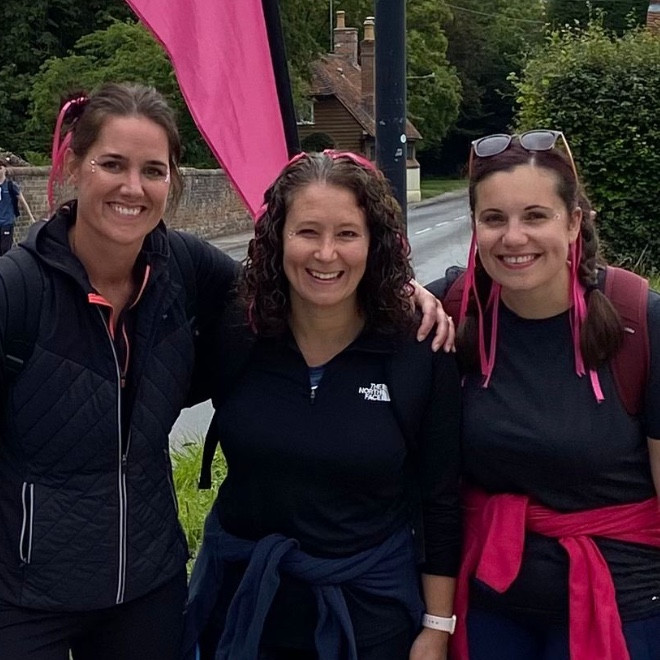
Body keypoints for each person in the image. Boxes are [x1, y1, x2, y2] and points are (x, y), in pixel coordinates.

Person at [0, 84, 452, 660]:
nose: (132, 187)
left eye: (153, 170)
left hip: (145, 588)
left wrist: (399, 285)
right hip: (26, 593)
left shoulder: (183, 268)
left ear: (173, 180)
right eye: (112, 164)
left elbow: (299, 280)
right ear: (72, 166)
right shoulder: (17, 290)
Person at [183, 151, 462, 660]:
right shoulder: (239, 329)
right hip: (243, 612)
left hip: (367, 620)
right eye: (307, 232)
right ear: (278, 238)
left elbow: (441, 498)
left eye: (347, 234)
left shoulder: (418, 348)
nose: (326, 254)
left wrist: (437, 627)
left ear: (375, 243)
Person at [428, 131, 660, 660]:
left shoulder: (640, 323)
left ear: (573, 222)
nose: (514, 238)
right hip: (491, 609)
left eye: (535, 216)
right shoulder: (455, 312)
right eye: (494, 219)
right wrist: (408, 295)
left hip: (624, 612)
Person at [0, 159, 36, 254]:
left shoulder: (11, 185)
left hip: (7, 222)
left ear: (5, 169)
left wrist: (31, 218)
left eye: (0, 168)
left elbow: (23, 202)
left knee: (4, 249)